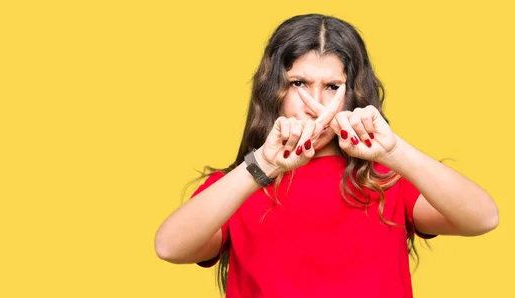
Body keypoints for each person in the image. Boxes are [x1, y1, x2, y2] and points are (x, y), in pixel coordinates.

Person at [154, 13, 499, 298]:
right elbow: (170, 247)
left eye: (332, 87)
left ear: (352, 95)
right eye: (299, 84)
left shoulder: (388, 180)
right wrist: (263, 165)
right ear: (274, 90)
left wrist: (394, 151)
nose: (313, 104)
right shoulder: (238, 185)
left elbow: (482, 218)